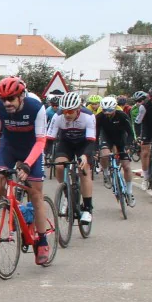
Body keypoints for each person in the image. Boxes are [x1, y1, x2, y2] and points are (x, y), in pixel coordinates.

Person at [0, 76, 52, 264]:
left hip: (31, 149)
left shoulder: (36, 108)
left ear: (21, 96)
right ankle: (17, 209)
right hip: (9, 147)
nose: (7, 103)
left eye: (11, 99)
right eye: (3, 99)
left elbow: (41, 140)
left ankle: (42, 240)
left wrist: (27, 164)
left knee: (35, 193)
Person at [46, 92, 96, 225]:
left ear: (78, 109)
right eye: (64, 111)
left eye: (70, 111)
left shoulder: (88, 116)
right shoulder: (57, 116)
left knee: (84, 170)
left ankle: (87, 208)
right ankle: (66, 192)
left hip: (83, 144)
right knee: (59, 166)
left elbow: (91, 141)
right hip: (66, 143)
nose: (67, 114)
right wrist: (45, 155)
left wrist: (85, 156)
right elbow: (49, 139)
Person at [97, 95, 136, 198]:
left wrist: (128, 146)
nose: (107, 113)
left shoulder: (122, 116)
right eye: (105, 110)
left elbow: (130, 133)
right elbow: (96, 135)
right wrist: (95, 150)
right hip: (106, 137)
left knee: (126, 166)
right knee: (104, 154)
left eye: (110, 110)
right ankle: (106, 173)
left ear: (115, 108)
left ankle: (129, 191)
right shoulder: (99, 117)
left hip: (120, 139)